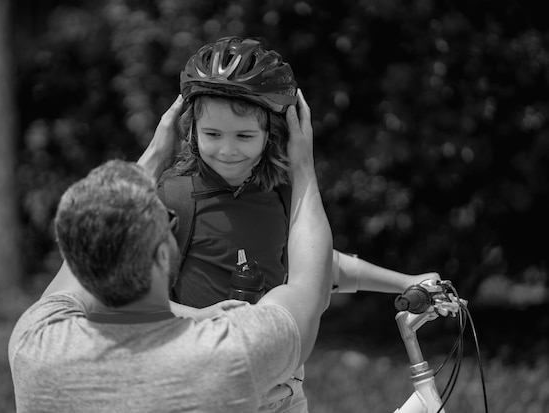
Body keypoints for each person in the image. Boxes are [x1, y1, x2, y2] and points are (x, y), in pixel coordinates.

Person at [158, 37, 440, 412]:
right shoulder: (175, 197)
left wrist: (405, 282)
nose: (226, 150)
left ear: (272, 135)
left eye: (244, 136)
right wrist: (200, 317)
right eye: (212, 134)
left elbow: (319, 265)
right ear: (192, 130)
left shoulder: (277, 193)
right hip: (209, 388)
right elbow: (136, 300)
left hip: (286, 390)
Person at [8, 92, 334, 412]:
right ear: (164, 256)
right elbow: (310, 287)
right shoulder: (232, 356)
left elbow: (84, 254)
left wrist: (153, 153)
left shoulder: (35, 343)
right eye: (167, 221)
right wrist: (303, 166)